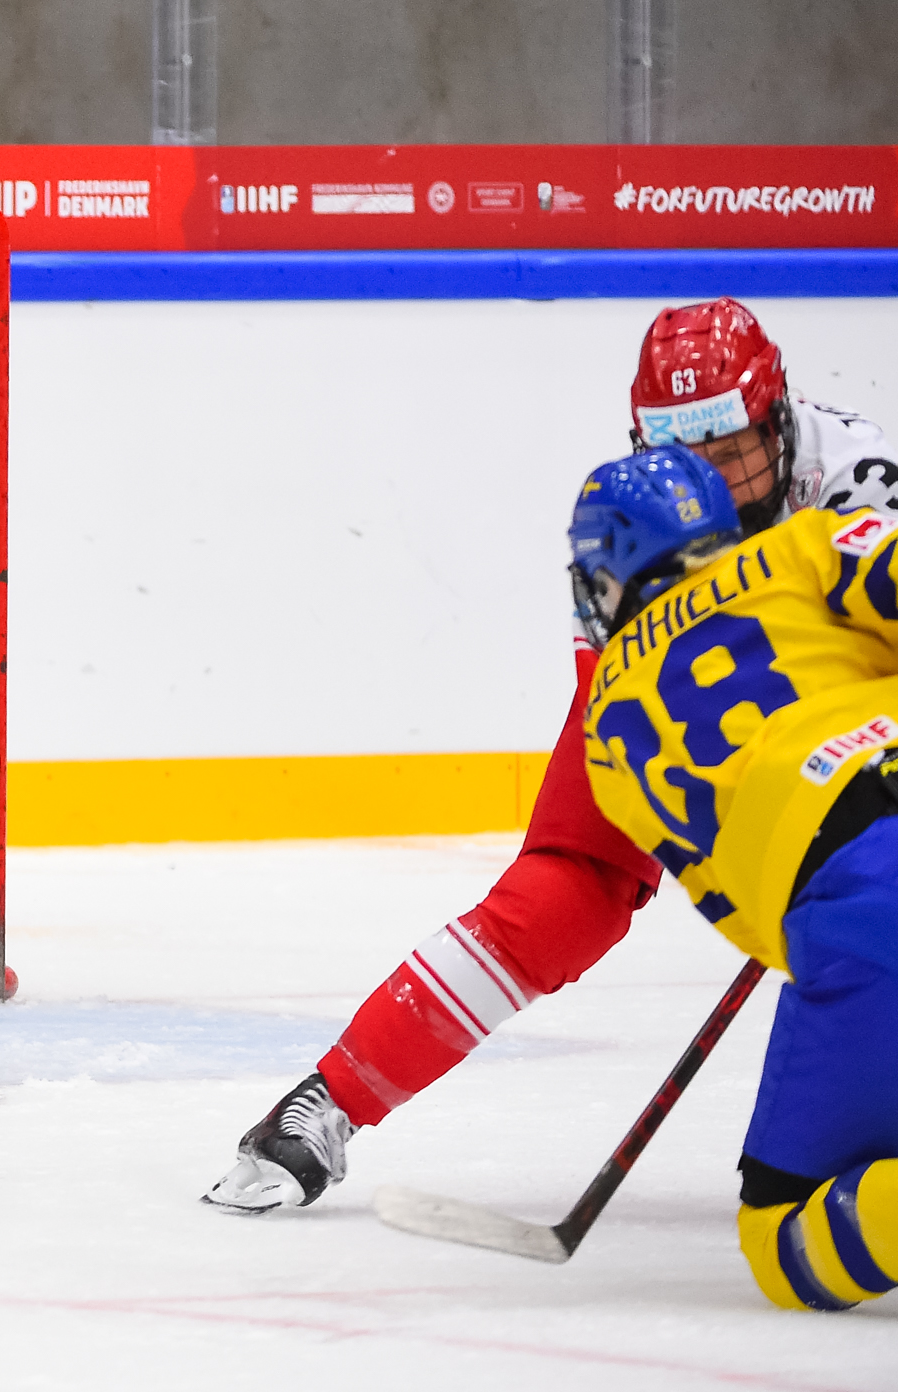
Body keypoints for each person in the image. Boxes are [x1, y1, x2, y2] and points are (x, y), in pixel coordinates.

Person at [206, 297, 898, 1214]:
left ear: (778, 422)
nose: (713, 485)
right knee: (568, 890)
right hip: (720, 675)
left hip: (839, 680)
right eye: (683, 455)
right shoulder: (635, 529)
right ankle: (332, 1099)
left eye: (731, 452)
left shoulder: (857, 480)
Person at [570, 447, 897, 1310]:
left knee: (782, 1237)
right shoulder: (804, 543)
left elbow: (740, 907)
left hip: (849, 904)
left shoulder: (606, 726)